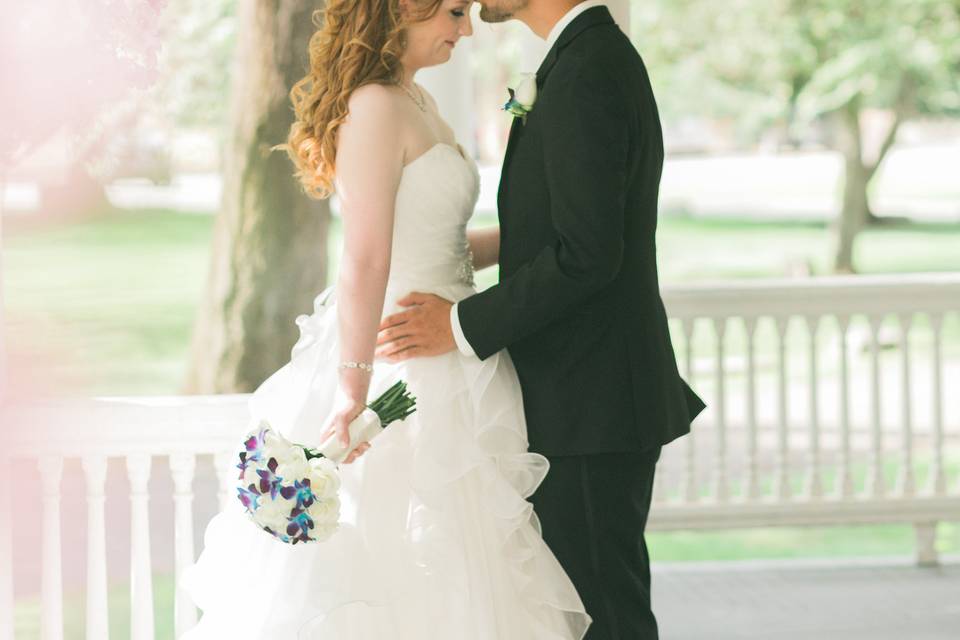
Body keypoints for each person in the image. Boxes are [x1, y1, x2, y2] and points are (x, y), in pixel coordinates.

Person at [177, 0, 595, 637]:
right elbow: (367, 258)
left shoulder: (417, 99)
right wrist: (352, 391)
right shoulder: (374, 104)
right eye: (452, 12)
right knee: (397, 549)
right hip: (400, 359)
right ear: (403, 8)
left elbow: (440, 247)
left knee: (464, 558)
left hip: (456, 352)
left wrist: (544, 235)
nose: (465, 27)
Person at [373, 1, 707, 637]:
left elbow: (585, 256)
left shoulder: (587, 71)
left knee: (603, 616)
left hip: (592, 401)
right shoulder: (581, 59)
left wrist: (461, 325)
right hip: (584, 394)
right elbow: (565, 229)